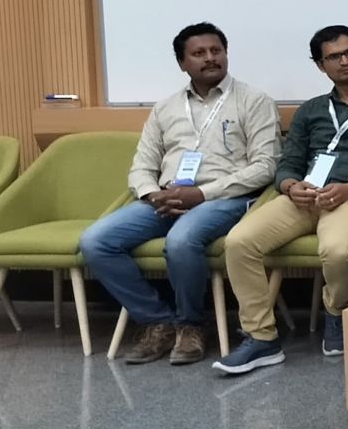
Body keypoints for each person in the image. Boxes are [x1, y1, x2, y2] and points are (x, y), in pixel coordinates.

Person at [215, 25, 348, 375]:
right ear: (321, 66)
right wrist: (290, 186)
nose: (345, 61)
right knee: (238, 242)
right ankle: (261, 337)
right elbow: (288, 164)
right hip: (305, 197)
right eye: (334, 57)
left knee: (339, 250)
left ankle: (335, 309)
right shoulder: (310, 110)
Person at [79, 23, 279, 366]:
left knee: (182, 240)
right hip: (165, 199)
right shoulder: (165, 108)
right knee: (96, 241)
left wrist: (200, 194)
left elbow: (265, 166)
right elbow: (142, 165)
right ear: (182, 63)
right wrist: (151, 194)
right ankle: (158, 321)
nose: (210, 58)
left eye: (216, 51)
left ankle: (191, 324)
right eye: (199, 53)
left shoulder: (254, 101)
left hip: (225, 198)